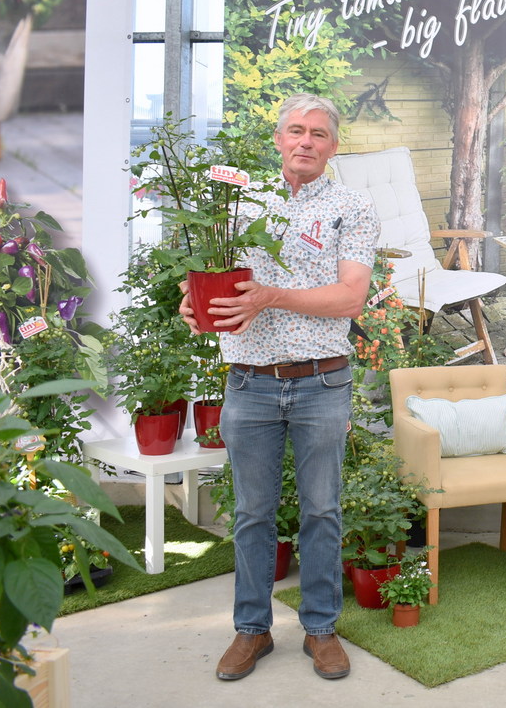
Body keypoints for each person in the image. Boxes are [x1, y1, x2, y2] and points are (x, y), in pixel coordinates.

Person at [180, 93, 379, 682]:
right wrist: (191, 305)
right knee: (251, 513)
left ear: (333, 146)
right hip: (249, 380)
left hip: (322, 380)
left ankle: (320, 629)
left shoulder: (352, 206)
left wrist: (272, 297)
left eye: (318, 133)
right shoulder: (239, 203)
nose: (306, 141)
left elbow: (351, 298)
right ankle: (252, 629)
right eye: (296, 130)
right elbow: (211, 277)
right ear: (278, 139)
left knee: (322, 510)